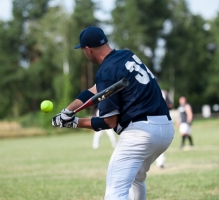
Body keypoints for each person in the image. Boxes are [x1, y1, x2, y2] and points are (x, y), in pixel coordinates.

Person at [52, 26, 174, 200]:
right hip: (166, 129)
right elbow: (95, 90)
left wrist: (74, 122)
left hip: (140, 133)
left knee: (115, 192)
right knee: (136, 180)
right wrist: (67, 111)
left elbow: (109, 122)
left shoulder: (106, 71)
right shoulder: (126, 55)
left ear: (88, 50)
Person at [155, 89, 173, 168]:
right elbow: (170, 105)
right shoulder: (163, 92)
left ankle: (160, 162)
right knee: (161, 141)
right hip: (162, 118)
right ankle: (160, 162)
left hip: (149, 119)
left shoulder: (144, 89)